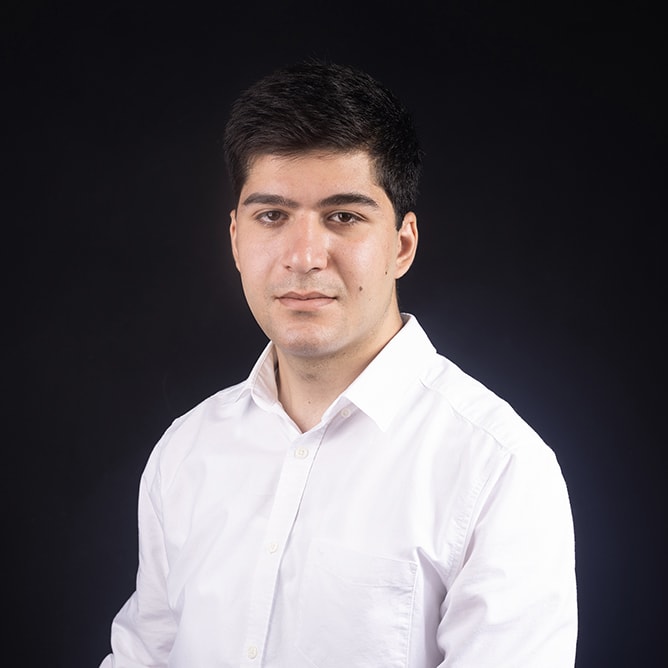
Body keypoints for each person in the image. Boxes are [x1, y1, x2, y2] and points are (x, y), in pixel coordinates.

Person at [99, 60, 577, 667]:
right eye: (272, 216)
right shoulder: (186, 452)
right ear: (237, 239)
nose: (303, 256)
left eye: (343, 216)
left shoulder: (496, 470)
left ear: (402, 244)